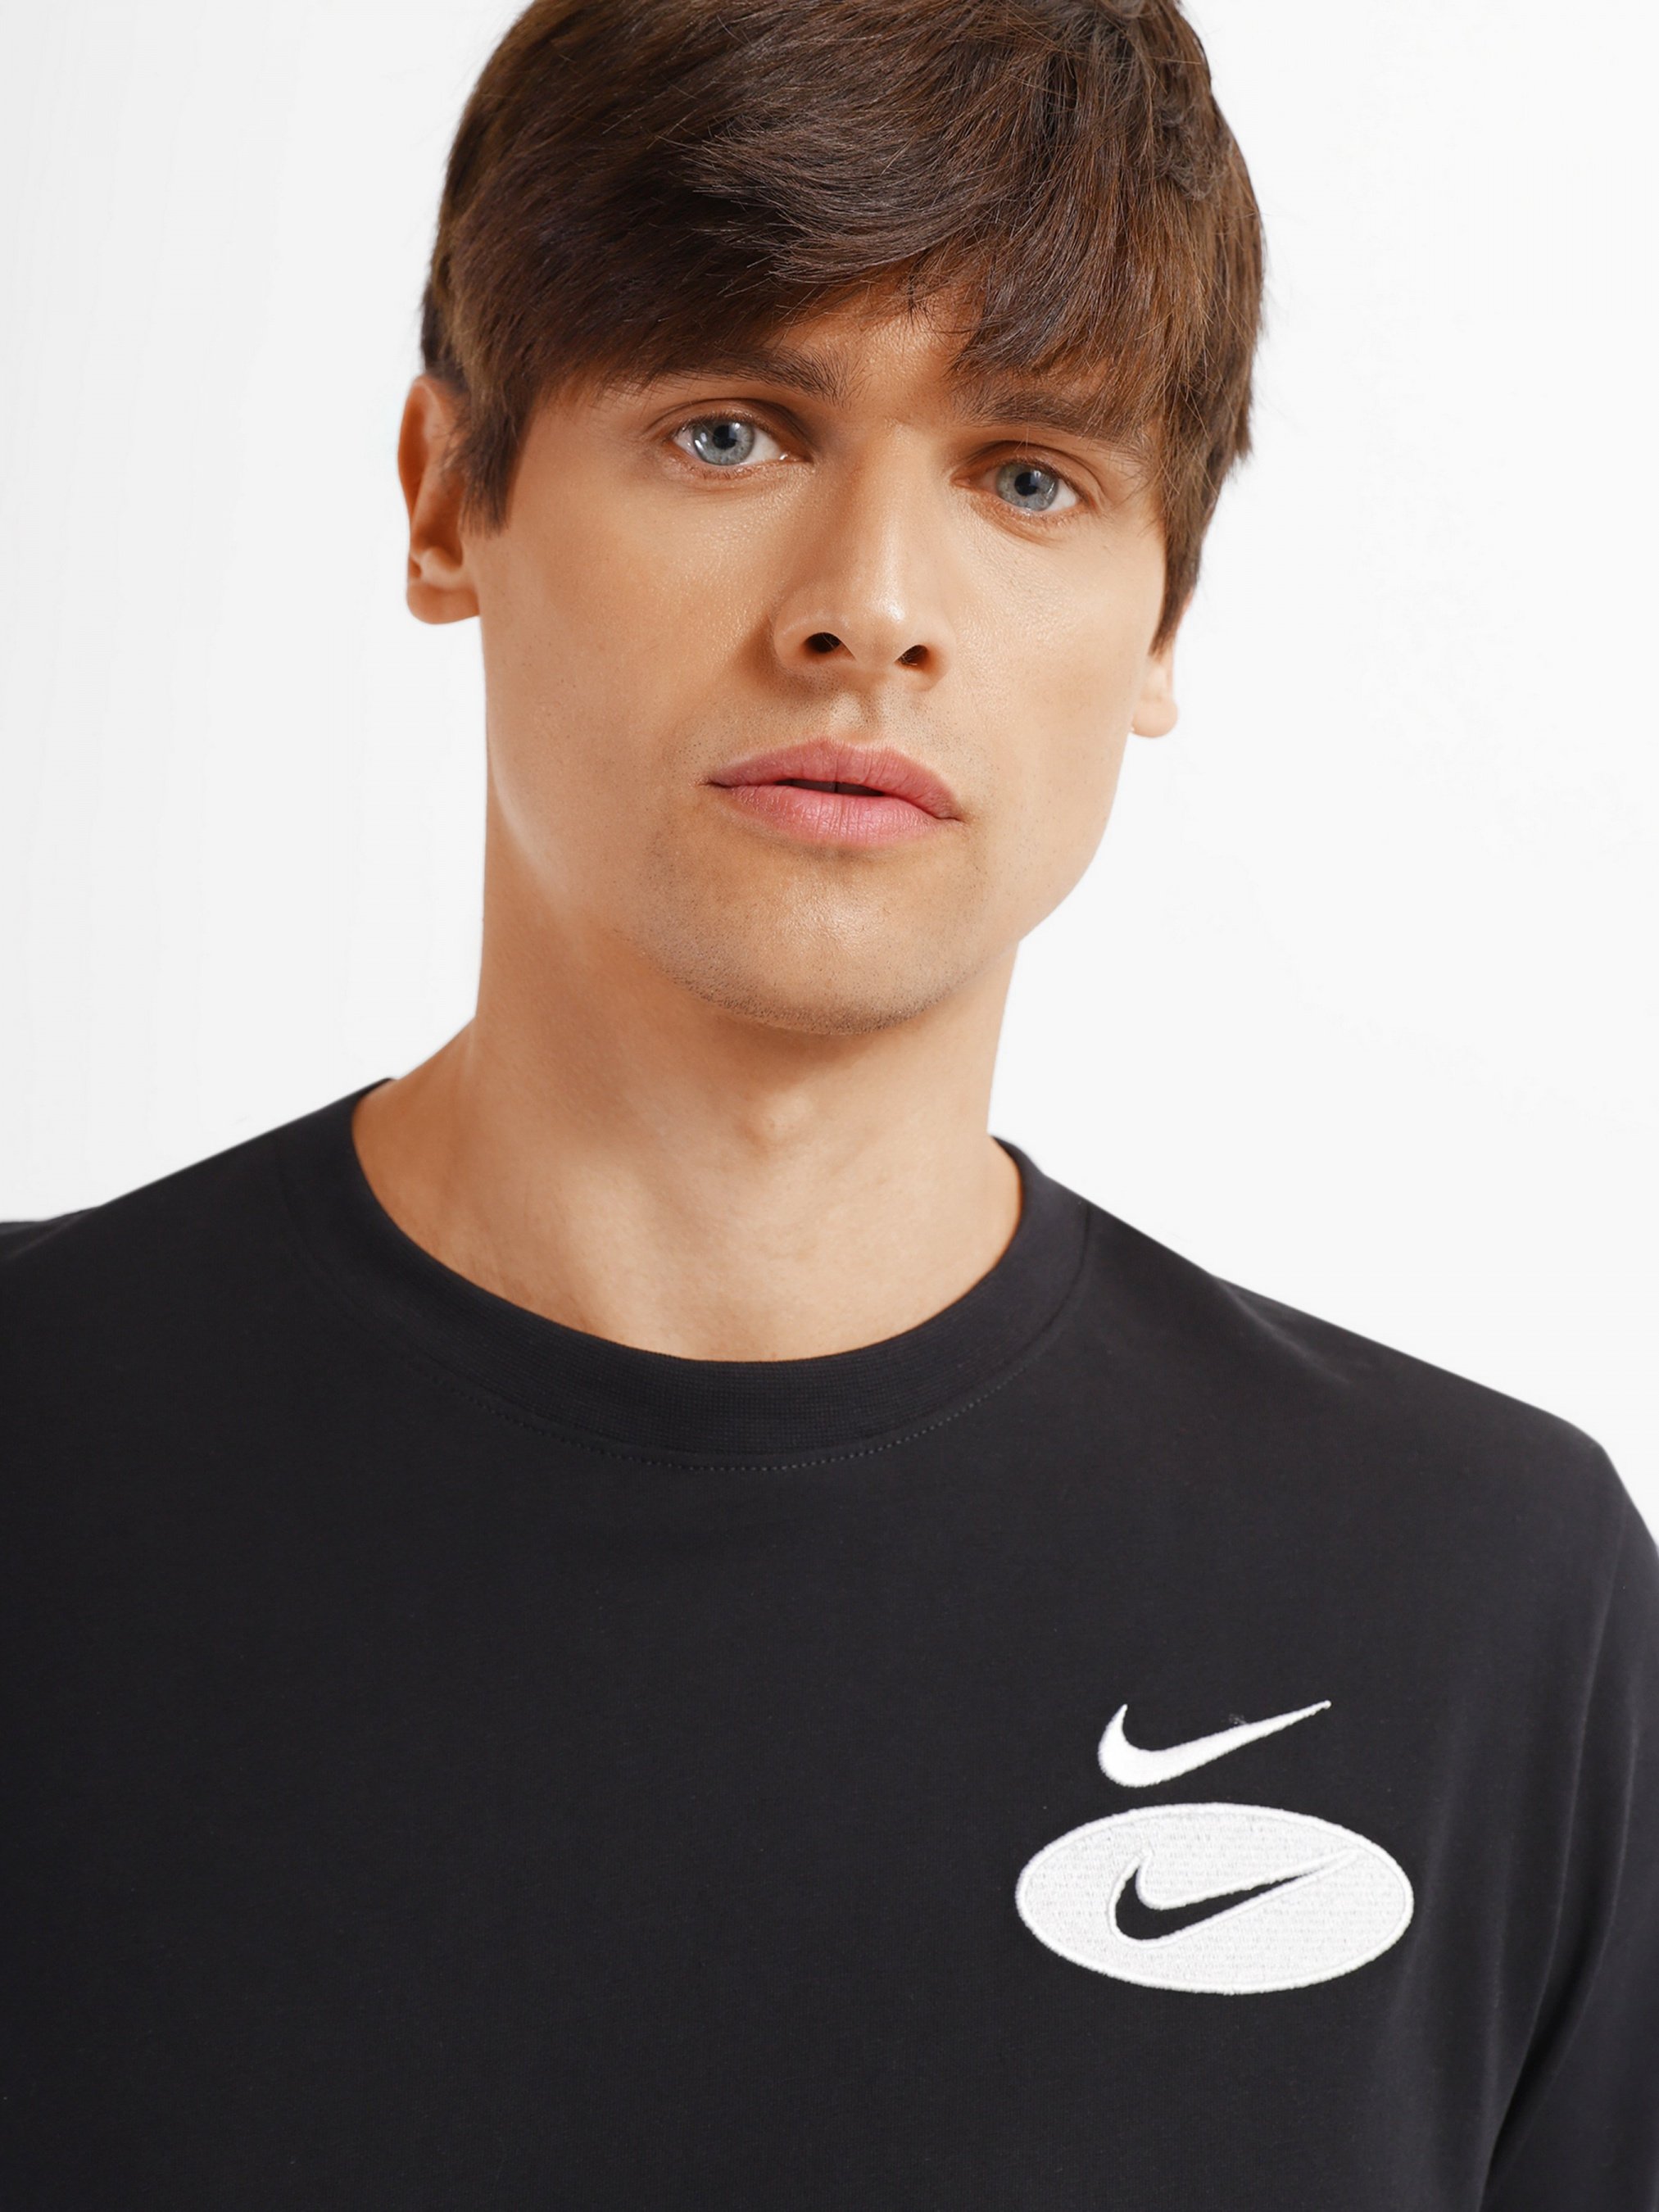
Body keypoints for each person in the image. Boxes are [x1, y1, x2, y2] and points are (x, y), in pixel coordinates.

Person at [3, 0, 1655, 2203]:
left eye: (1029, 475)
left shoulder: (1480, 1601)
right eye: (730, 432)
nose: (870, 610)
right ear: (444, 496)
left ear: (1164, 615)